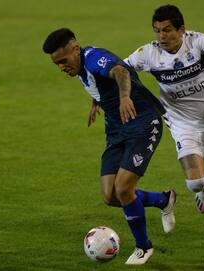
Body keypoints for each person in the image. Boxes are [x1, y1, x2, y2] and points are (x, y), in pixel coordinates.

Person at [124, 4, 204, 249]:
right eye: (157, 31)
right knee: (194, 182)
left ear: (181, 30)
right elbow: (119, 68)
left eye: (167, 30)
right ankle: (202, 189)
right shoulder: (148, 54)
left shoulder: (197, 42)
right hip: (182, 123)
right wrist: (101, 95)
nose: (161, 36)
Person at [42, 28, 177, 264]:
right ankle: (162, 200)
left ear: (76, 49)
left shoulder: (94, 58)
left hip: (143, 122)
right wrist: (98, 100)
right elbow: (101, 82)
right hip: (117, 129)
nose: (62, 67)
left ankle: (143, 247)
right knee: (110, 195)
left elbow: (120, 72)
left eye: (63, 61)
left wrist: (125, 98)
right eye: (57, 64)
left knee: (124, 189)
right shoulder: (82, 68)